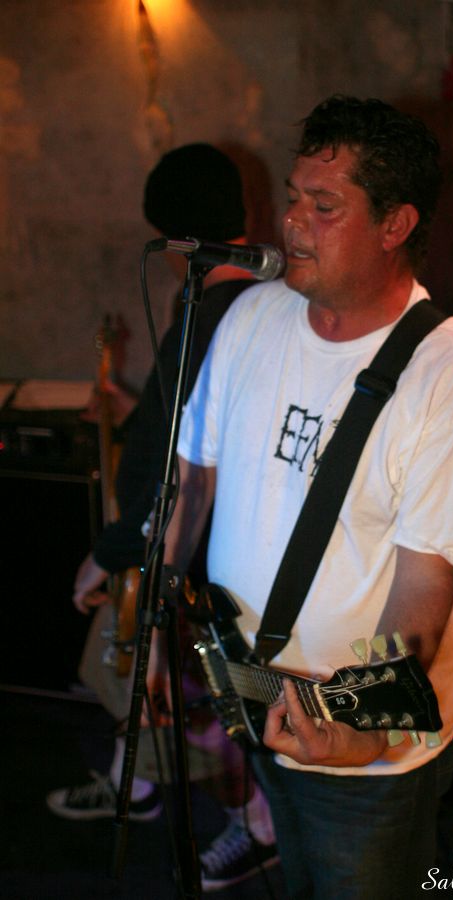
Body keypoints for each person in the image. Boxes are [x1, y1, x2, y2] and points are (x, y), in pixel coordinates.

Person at [159, 95, 453, 900]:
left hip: (363, 751)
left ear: (395, 225)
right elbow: (193, 478)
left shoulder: (450, 373)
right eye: (292, 197)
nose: (292, 222)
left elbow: (425, 585)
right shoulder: (251, 317)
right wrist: (155, 619)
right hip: (254, 698)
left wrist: (362, 730)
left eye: (324, 206)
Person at [45, 143, 278, 891]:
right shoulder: (254, 299)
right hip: (210, 535)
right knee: (139, 677)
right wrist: (131, 405)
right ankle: (137, 784)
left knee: (159, 686)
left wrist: (111, 550)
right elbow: (179, 422)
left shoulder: (211, 313)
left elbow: (174, 463)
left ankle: (258, 826)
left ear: (174, 238)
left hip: (194, 547)